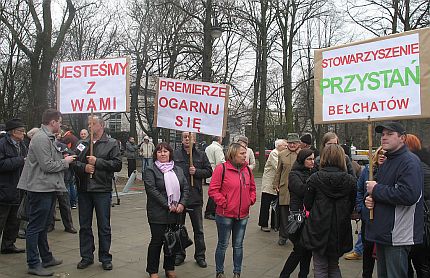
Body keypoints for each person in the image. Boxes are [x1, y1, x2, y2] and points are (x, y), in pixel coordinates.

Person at [17, 109, 75, 276]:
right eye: (60, 122)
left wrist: (62, 158)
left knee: (42, 226)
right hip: (40, 188)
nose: (61, 125)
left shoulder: (47, 138)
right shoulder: (41, 138)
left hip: (47, 187)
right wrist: (65, 162)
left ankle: (46, 258)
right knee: (35, 227)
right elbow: (47, 165)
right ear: (53, 122)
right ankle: (33, 263)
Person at [365, 122, 424, 278]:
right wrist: (370, 200)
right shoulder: (387, 160)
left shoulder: (409, 162)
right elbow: (381, 190)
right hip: (384, 232)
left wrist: (376, 190)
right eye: (383, 134)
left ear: (402, 138)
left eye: (390, 134)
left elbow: (409, 195)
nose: (384, 138)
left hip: (398, 234)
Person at [72, 115, 122, 271]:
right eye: (88, 124)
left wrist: (97, 162)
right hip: (84, 189)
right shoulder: (82, 143)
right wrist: (84, 167)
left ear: (101, 125)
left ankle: (105, 257)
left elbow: (117, 164)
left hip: (102, 189)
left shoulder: (111, 143)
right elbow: (73, 161)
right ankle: (86, 256)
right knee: (85, 225)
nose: (89, 127)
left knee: (104, 226)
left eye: (93, 124)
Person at [301, 144, 357, 277]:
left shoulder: (315, 178)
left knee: (320, 267)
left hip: (318, 226)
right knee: (334, 265)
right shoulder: (350, 181)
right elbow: (352, 204)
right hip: (340, 227)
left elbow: (308, 204)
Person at [208, 142, 257, 278]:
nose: (245, 156)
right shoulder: (221, 169)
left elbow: (252, 188)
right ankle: (219, 272)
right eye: (242, 153)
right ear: (233, 154)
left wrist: (250, 200)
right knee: (223, 244)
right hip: (225, 215)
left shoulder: (247, 170)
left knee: (238, 245)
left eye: (245, 153)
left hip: (243, 215)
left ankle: (237, 272)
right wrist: (224, 203)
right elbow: (213, 190)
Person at [143, 142, 189, 278]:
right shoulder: (151, 170)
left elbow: (185, 188)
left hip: (176, 212)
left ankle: (169, 268)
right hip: (158, 212)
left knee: (172, 241)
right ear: (155, 154)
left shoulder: (178, 170)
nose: (162, 154)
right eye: (159, 151)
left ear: (170, 153)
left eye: (165, 151)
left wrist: (182, 204)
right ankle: (153, 271)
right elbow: (152, 190)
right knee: (157, 242)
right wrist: (167, 204)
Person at [173, 132, 212, 268]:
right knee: (178, 228)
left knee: (198, 230)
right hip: (179, 198)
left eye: (190, 136)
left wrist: (197, 172)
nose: (187, 139)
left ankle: (200, 255)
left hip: (195, 197)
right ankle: (179, 254)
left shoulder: (201, 155)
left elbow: (209, 171)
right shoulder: (175, 154)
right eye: (185, 137)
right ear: (182, 139)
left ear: (194, 139)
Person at [347, 146, 386, 276]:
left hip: (383, 220)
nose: (382, 156)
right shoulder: (367, 170)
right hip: (367, 218)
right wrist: (360, 207)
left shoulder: (390, 171)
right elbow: (359, 189)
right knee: (367, 251)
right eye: (380, 153)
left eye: (385, 154)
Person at [279, 148, 315, 278]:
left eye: (313, 158)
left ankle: (303, 275)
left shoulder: (312, 173)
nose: (312, 162)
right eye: (309, 159)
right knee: (299, 248)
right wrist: (314, 184)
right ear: (302, 160)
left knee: (307, 250)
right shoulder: (294, 174)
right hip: (296, 215)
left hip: (308, 215)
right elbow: (301, 190)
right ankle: (284, 275)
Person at [0, 118, 27, 254]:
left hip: (18, 188)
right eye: (21, 131)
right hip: (4, 188)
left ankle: (8, 245)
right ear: (12, 132)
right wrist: (20, 160)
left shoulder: (22, 145)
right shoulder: (2, 144)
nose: (23, 133)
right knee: (1, 219)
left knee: (14, 220)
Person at [404, 134, 430, 278]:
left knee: (413, 263)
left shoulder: (412, 165)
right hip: (424, 224)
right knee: (423, 264)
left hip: (417, 223)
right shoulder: (425, 164)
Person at [273, 133, 301, 245]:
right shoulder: (282, 154)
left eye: (295, 143)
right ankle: (283, 235)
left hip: (298, 188)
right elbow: (278, 171)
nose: (292, 145)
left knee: (297, 212)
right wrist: (275, 184)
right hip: (285, 188)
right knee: (284, 212)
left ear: (299, 143)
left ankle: (297, 235)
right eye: (290, 143)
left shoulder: (303, 154)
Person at [258, 139, 287, 232]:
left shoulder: (283, 154)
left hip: (277, 183)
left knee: (276, 205)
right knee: (265, 205)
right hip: (269, 184)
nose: (286, 147)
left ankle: (275, 224)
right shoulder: (274, 153)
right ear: (278, 146)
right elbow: (278, 166)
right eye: (284, 145)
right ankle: (263, 224)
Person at [204, 136, 225, 220]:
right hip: (216, 172)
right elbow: (220, 162)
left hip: (210, 170)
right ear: (219, 139)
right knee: (214, 193)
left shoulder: (208, 147)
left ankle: (211, 211)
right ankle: (210, 212)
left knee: (213, 192)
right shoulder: (218, 149)